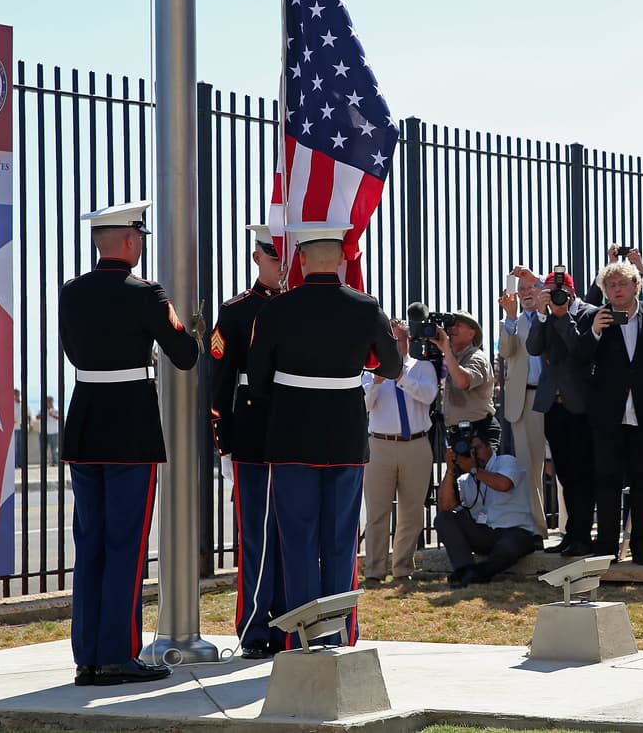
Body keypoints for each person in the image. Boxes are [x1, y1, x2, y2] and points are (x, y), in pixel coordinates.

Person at [60, 200, 198, 686]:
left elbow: (75, 351)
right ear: (130, 241)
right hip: (131, 430)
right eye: (139, 236)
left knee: (91, 544)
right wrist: (182, 322)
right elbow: (184, 354)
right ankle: (117, 655)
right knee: (126, 547)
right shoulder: (148, 294)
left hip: (85, 425)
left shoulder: (71, 292)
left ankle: (88, 657)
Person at [246, 223, 402, 647]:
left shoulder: (275, 309)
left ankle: (303, 641)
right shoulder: (365, 306)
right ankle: (339, 637)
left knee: (297, 541)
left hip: (292, 435)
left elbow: (257, 382)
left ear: (299, 259)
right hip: (345, 436)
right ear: (343, 259)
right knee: (339, 541)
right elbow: (391, 367)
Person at [207, 223, 285, 659]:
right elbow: (219, 379)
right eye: (274, 257)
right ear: (257, 258)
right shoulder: (235, 311)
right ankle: (256, 630)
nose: (281, 264)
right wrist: (224, 439)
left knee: (290, 535)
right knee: (255, 535)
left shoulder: (297, 305)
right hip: (252, 433)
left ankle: (291, 623)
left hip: (293, 432)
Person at [574, 260, 643, 563]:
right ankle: (606, 550)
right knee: (607, 482)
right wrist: (595, 332)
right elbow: (578, 359)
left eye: (622, 284)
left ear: (635, 286)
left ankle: (641, 549)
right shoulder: (593, 317)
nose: (616, 289)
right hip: (608, 416)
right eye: (610, 285)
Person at [527, 267, 598, 557]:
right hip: (552, 406)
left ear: (572, 292)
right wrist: (543, 315)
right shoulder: (545, 315)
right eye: (552, 293)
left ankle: (583, 535)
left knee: (583, 474)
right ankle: (572, 534)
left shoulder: (588, 313)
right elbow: (533, 347)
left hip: (580, 406)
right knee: (565, 475)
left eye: (562, 293)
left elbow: (580, 350)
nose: (558, 298)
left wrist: (561, 314)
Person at [363, 318, 439, 584]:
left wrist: (400, 378)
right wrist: (375, 383)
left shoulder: (423, 367)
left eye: (399, 340)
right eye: (390, 340)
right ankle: (373, 570)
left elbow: (429, 396)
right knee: (377, 512)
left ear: (408, 341)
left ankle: (403, 569)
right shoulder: (369, 373)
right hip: (379, 445)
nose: (394, 345)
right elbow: (365, 407)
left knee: (412, 512)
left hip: (416, 445)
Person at [434, 421, 535, 586]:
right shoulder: (465, 479)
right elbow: (446, 506)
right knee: (443, 519)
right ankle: (464, 571)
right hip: (485, 534)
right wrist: (451, 470)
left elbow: (503, 484)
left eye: (478, 448)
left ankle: (478, 573)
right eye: (470, 450)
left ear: (490, 447)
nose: (474, 455)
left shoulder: (505, 462)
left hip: (515, 532)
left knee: (508, 547)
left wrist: (475, 470)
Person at [497, 270, 549, 548]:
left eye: (533, 286)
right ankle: (539, 531)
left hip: (557, 398)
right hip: (525, 401)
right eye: (522, 288)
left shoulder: (553, 313)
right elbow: (505, 352)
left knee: (564, 465)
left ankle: (571, 528)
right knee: (530, 469)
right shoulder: (513, 322)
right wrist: (509, 318)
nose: (527, 292)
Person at [434, 310, 497, 441]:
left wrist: (446, 350)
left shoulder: (477, 357)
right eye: (451, 325)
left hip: (478, 432)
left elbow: (462, 382)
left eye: (459, 325)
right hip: (458, 432)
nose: (452, 329)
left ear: (471, 333)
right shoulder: (453, 357)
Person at [584, 244, 643, 308]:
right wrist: (610, 265)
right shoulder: (604, 316)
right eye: (612, 285)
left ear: (635, 286)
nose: (617, 289)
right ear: (605, 290)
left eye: (623, 283)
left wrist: (642, 269)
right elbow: (591, 303)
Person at [38, 396, 61, 466]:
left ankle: (55, 462)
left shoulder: (56, 410)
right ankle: (44, 462)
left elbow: (59, 417)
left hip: (54, 432)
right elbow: (37, 417)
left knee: (54, 449)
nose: (49, 403)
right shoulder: (42, 410)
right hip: (43, 432)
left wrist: (51, 415)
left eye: (50, 401)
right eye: (47, 401)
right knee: (43, 449)